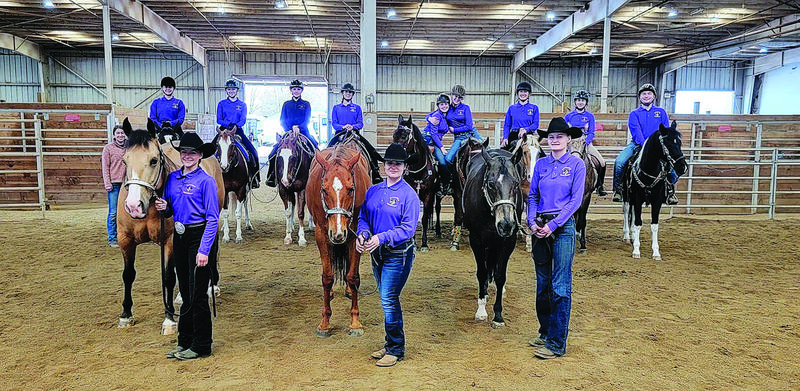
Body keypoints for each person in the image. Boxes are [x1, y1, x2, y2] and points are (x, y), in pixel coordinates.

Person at [154, 132, 220, 361]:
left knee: (197, 293)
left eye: (192, 153)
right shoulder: (172, 179)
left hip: (199, 236)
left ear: (200, 155)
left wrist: (204, 250)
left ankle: (202, 344)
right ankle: (184, 341)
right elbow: (172, 209)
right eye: (184, 152)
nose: (187, 156)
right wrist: (165, 208)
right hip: (180, 237)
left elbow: (213, 218)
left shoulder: (207, 181)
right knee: (184, 290)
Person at [356, 143, 420, 368]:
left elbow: (408, 229)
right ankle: (391, 343)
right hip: (377, 254)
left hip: (398, 254)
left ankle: (395, 348)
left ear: (405, 168)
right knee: (387, 300)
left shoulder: (409, 195)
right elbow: (363, 216)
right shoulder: (373, 191)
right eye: (390, 163)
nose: (393, 167)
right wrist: (362, 234)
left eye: (398, 164)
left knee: (388, 299)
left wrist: (380, 238)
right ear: (383, 166)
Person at [527, 117, 586, 360]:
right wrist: (532, 222)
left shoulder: (577, 165)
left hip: (562, 228)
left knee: (560, 286)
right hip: (540, 225)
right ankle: (545, 331)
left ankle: (556, 342)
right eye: (551, 137)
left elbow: (575, 201)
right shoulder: (540, 164)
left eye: (559, 136)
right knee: (543, 286)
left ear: (568, 139)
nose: (554, 140)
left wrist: (553, 225)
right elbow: (532, 196)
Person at [612, 83, 678, 205]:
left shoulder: (661, 112)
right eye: (644, 94)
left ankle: (670, 192)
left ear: (653, 96)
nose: (646, 96)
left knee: (673, 167)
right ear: (640, 97)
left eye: (649, 93)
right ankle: (618, 189)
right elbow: (635, 131)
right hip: (637, 144)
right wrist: (646, 146)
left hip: (659, 147)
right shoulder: (634, 114)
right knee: (619, 162)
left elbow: (665, 132)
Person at [266, 79, 318, 187]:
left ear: (301, 91)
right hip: (288, 132)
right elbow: (282, 120)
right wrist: (290, 128)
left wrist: (299, 127)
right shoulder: (286, 104)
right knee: (272, 153)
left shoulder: (306, 104)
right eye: (294, 89)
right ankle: (272, 177)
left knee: (316, 149)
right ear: (291, 90)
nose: (296, 91)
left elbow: (307, 119)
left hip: (303, 132)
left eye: (298, 89)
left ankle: (317, 176)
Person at [328, 83, 383, 184]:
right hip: (340, 133)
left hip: (354, 133)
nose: (348, 94)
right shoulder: (336, 108)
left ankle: (376, 173)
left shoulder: (357, 108)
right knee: (328, 149)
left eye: (350, 92)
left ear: (352, 94)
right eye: (346, 92)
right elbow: (334, 123)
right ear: (342, 93)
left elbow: (360, 123)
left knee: (370, 149)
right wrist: (343, 127)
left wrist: (352, 127)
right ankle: (324, 171)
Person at [216, 79, 260, 188]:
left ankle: (254, 178)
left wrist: (236, 125)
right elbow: (219, 119)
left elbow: (243, 119)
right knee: (210, 150)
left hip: (237, 130)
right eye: (229, 89)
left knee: (253, 152)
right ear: (226, 91)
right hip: (224, 130)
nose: (231, 91)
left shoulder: (242, 104)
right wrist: (228, 124)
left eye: (233, 89)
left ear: (237, 91)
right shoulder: (221, 104)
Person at [564, 90, 608, 196]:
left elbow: (592, 132)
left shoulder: (590, 116)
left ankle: (600, 186)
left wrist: (586, 142)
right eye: (578, 100)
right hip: (571, 143)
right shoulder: (568, 116)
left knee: (602, 162)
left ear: (586, 102)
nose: (580, 102)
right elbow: (564, 131)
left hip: (585, 142)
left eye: (583, 100)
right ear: (575, 102)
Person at [443, 84, 484, 165]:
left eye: (460, 97)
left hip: (471, 134)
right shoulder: (447, 108)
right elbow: (436, 114)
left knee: (488, 151)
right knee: (448, 159)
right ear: (451, 95)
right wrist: (429, 118)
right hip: (459, 137)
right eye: (455, 96)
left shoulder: (466, 108)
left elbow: (469, 126)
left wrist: (454, 130)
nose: (457, 99)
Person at [101, 124, 127, 247]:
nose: (120, 135)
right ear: (114, 135)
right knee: (113, 212)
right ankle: (112, 238)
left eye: (122, 133)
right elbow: (105, 167)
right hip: (115, 184)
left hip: (127, 184)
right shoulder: (108, 148)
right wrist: (107, 183)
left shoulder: (130, 147)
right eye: (118, 133)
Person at [422, 94, 452, 193]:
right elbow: (434, 134)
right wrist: (442, 147)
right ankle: (445, 183)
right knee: (442, 161)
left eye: (446, 104)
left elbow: (428, 115)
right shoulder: (437, 116)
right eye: (442, 104)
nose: (444, 106)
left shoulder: (446, 114)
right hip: (429, 139)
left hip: (436, 140)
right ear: (438, 105)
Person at [501, 81, 539, 148]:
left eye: (525, 91)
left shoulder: (534, 108)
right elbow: (507, 125)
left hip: (528, 136)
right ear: (518, 93)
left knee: (539, 153)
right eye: (521, 91)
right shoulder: (511, 108)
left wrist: (526, 130)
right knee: (503, 153)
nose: (523, 93)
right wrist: (505, 137)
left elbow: (535, 124)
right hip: (514, 135)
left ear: (529, 94)